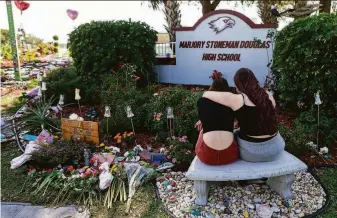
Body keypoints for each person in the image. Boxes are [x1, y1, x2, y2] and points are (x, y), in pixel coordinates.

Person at [202, 68, 285, 162]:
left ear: (238, 83)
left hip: (252, 153)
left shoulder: (238, 99)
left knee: (230, 135)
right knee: (238, 131)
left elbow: (207, 94)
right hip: (276, 149)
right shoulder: (268, 95)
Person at [195, 71, 239, 165]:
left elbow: (212, 115)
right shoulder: (232, 104)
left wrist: (202, 120)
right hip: (229, 155)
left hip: (207, 156)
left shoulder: (202, 102)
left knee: (203, 130)